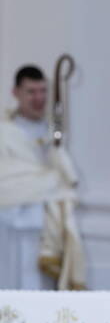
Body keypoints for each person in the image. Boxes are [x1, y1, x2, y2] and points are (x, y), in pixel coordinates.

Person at [0, 65, 85, 289]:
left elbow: (62, 175)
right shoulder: (4, 132)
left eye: (43, 91)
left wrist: (53, 174)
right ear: (16, 93)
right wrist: (39, 183)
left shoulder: (52, 131)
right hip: (9, 223)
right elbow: (7, 177)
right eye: (31, 92)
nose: (39, 98)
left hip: (46, 228)